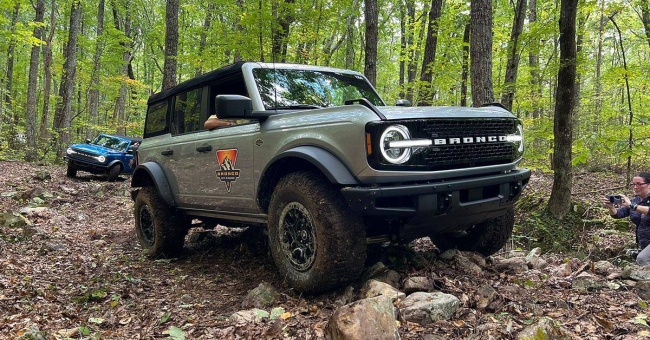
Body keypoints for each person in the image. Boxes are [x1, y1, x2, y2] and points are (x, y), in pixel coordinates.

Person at [605, 172, 650, 266]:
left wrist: (631, 205)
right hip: (644, 242)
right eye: (634, 184)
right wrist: (611, 207)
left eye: (639, 184)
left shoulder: (632, 203)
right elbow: (618, 214)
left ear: (648, 184)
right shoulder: (635, 201)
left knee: (642, 258)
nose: (635, 187)